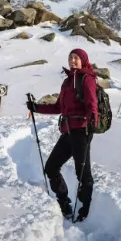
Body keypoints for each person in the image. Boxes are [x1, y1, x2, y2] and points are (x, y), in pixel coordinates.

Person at [27, 48, 98, 222]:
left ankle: (83, 212)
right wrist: (36, 107)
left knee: (83, 173)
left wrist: (92, 123)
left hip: (82, 130)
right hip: (68, 131)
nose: (72, 61)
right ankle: (64, 204)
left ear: (83, 60)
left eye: (76, 58)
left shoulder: (86, 79)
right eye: (70, 58)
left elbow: (92, 104)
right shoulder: (67, 82)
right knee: (51, 167)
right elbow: (58, 107)